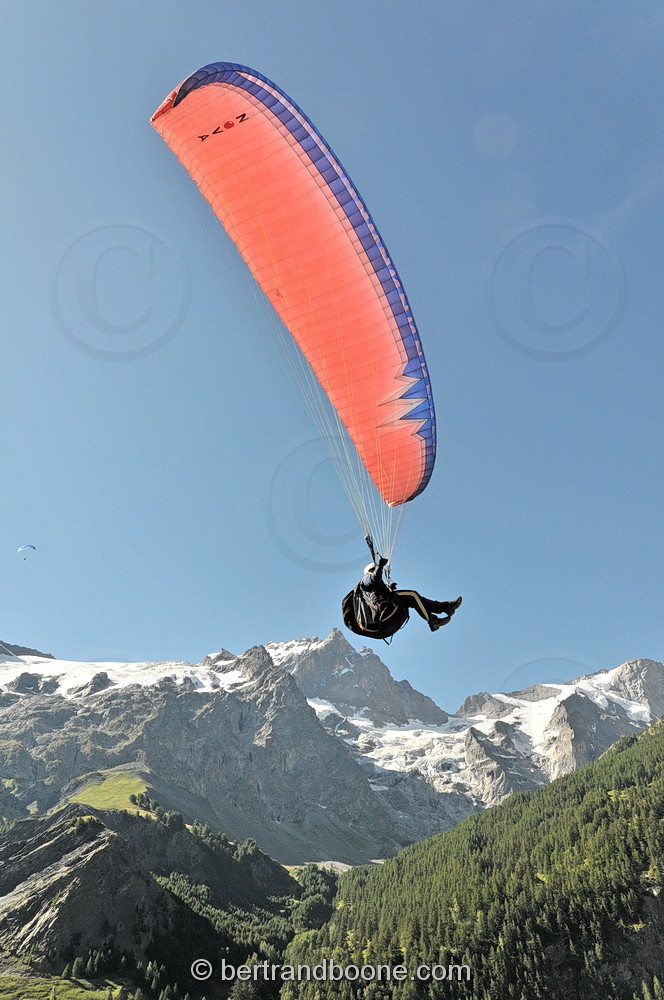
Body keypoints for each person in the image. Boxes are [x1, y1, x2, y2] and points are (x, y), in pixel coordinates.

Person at [359, 556, 462, 633]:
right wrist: (380, 565)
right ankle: (433, 620)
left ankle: (446, 608)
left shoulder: (375, 584)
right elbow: (374, 579)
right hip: (385, 608)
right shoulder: (366, 579)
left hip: (388, 606)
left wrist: (389, 589)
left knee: (416, 599)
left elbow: (377, 587)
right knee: (412, 595)